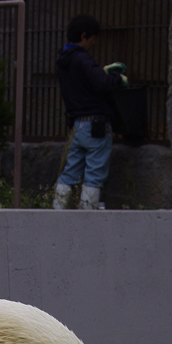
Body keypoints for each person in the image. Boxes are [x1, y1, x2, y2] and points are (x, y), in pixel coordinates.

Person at [53, 14, 128, 210]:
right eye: (93, 38)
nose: (93, 43)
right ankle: (88, 210)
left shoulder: (63, 61)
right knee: (95, 172)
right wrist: (117, 78)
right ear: (84, 35)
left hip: (77, 125)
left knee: (70, 172)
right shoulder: (82, 59)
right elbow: (101, 83)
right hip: (96, 125)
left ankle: (57, 209)